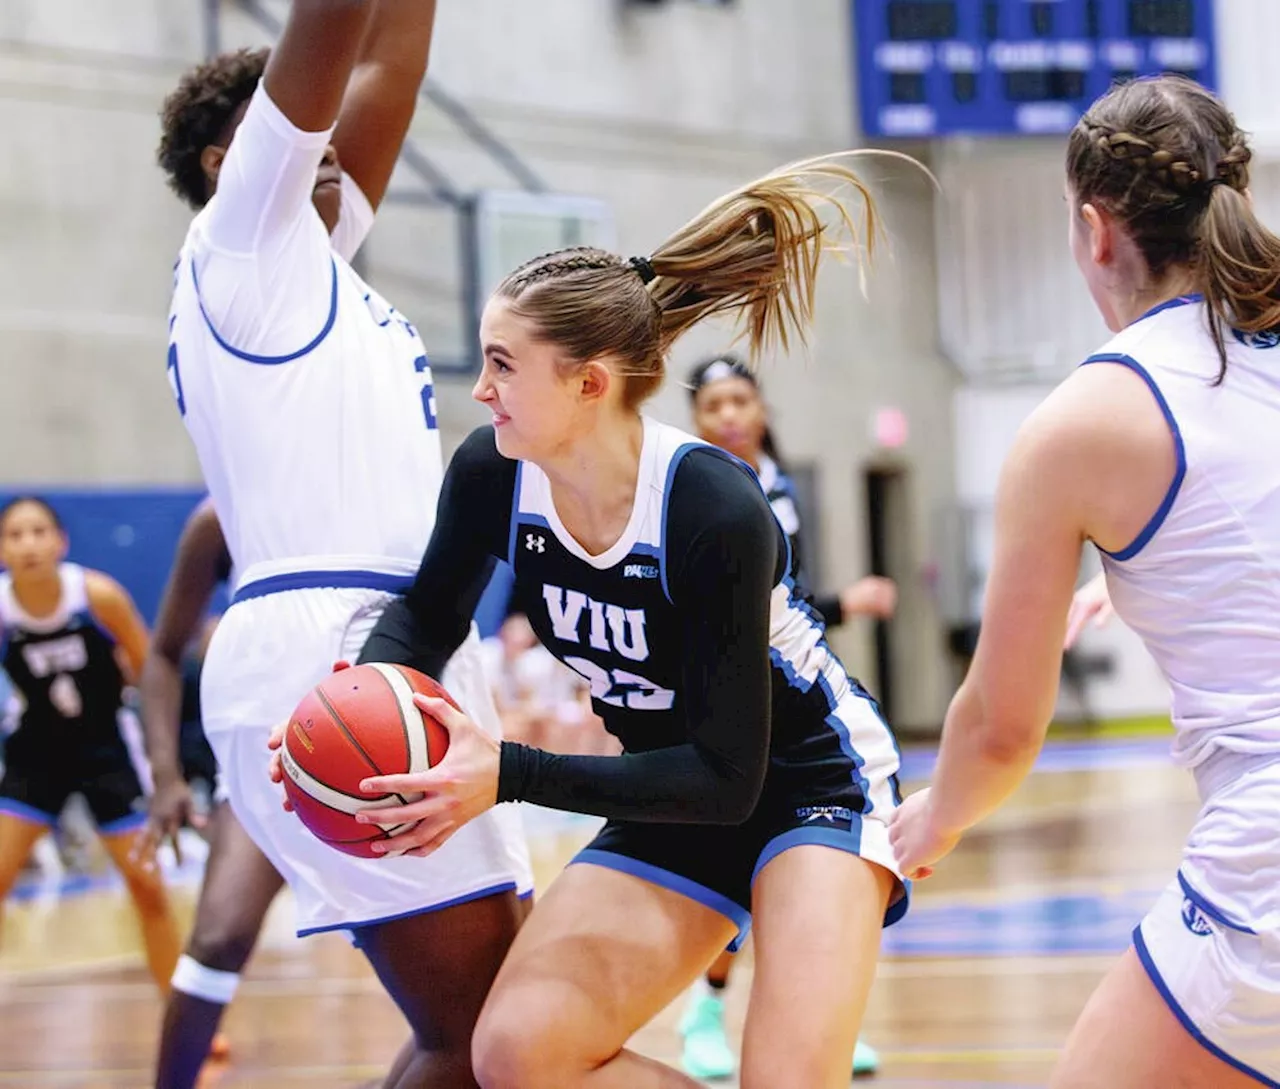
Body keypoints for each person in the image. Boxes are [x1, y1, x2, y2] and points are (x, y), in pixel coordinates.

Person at [298, 153, 913, 1089]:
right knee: (517, 1053)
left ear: (588, 383)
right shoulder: (493, 473)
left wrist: (508, 771)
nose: (482, 388)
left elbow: (728, 776)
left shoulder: (711, 507)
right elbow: (426, 616)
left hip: (806, 784)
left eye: (503, 363)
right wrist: (348, 711)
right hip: (668, 786)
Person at [157, 3, 532, 1086]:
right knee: (475, 1035)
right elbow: (331, 35)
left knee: (499, 1025)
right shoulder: (243, 243)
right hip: (331, 644)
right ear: (236, 160)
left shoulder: (316, 264)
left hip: (399, 633)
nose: (330, 145)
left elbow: (387, 69)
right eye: (298, 128)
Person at [890, 74, 1280, 1088]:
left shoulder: (1086, 417)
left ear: (1094, 230)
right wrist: (1150, 575)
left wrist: (930, 819)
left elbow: (1001, 728)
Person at [680, 353, 897, 1079]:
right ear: (697, 418)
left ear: (762, 408)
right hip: (716, 709)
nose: (730, 415)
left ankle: (816, 1019)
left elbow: (782, 608)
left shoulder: (777, 487)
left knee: (804, 871)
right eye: (714, 405)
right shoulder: (691, 490)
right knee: (731, 872)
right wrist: (848, 603)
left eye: (741, 399)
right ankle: (702, 1016)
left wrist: (833, 607)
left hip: (786, 701)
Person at [0, 497, 181, 990]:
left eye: (38, 532)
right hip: (34, 756)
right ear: (2, 549)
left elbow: (151, 671)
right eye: (14, 535)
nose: (28, 544)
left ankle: (183, 1019)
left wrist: (169, 769)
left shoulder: (98, 597)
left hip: (106, 754)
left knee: (147, 886)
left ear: (61, 541)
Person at [136, 498, 279, 1086]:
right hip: (261, 762)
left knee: (441, 1001)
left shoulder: (377, 481)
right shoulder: (219, 516)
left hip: (385, 761)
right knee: (217, 939)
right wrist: (166, 776)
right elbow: (162, 654)